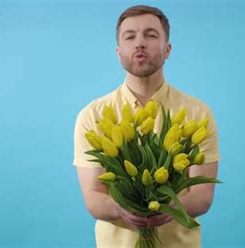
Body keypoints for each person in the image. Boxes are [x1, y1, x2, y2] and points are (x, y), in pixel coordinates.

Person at [73, 5, 220, 248]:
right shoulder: (93, 116)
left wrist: (170, 207)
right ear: (119, 51)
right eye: (130, 36)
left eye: (151, 35)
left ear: (168, 49)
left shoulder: (197, 113)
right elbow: (93, 197)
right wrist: (121, 209)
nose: (140, 43)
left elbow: (203, 196)